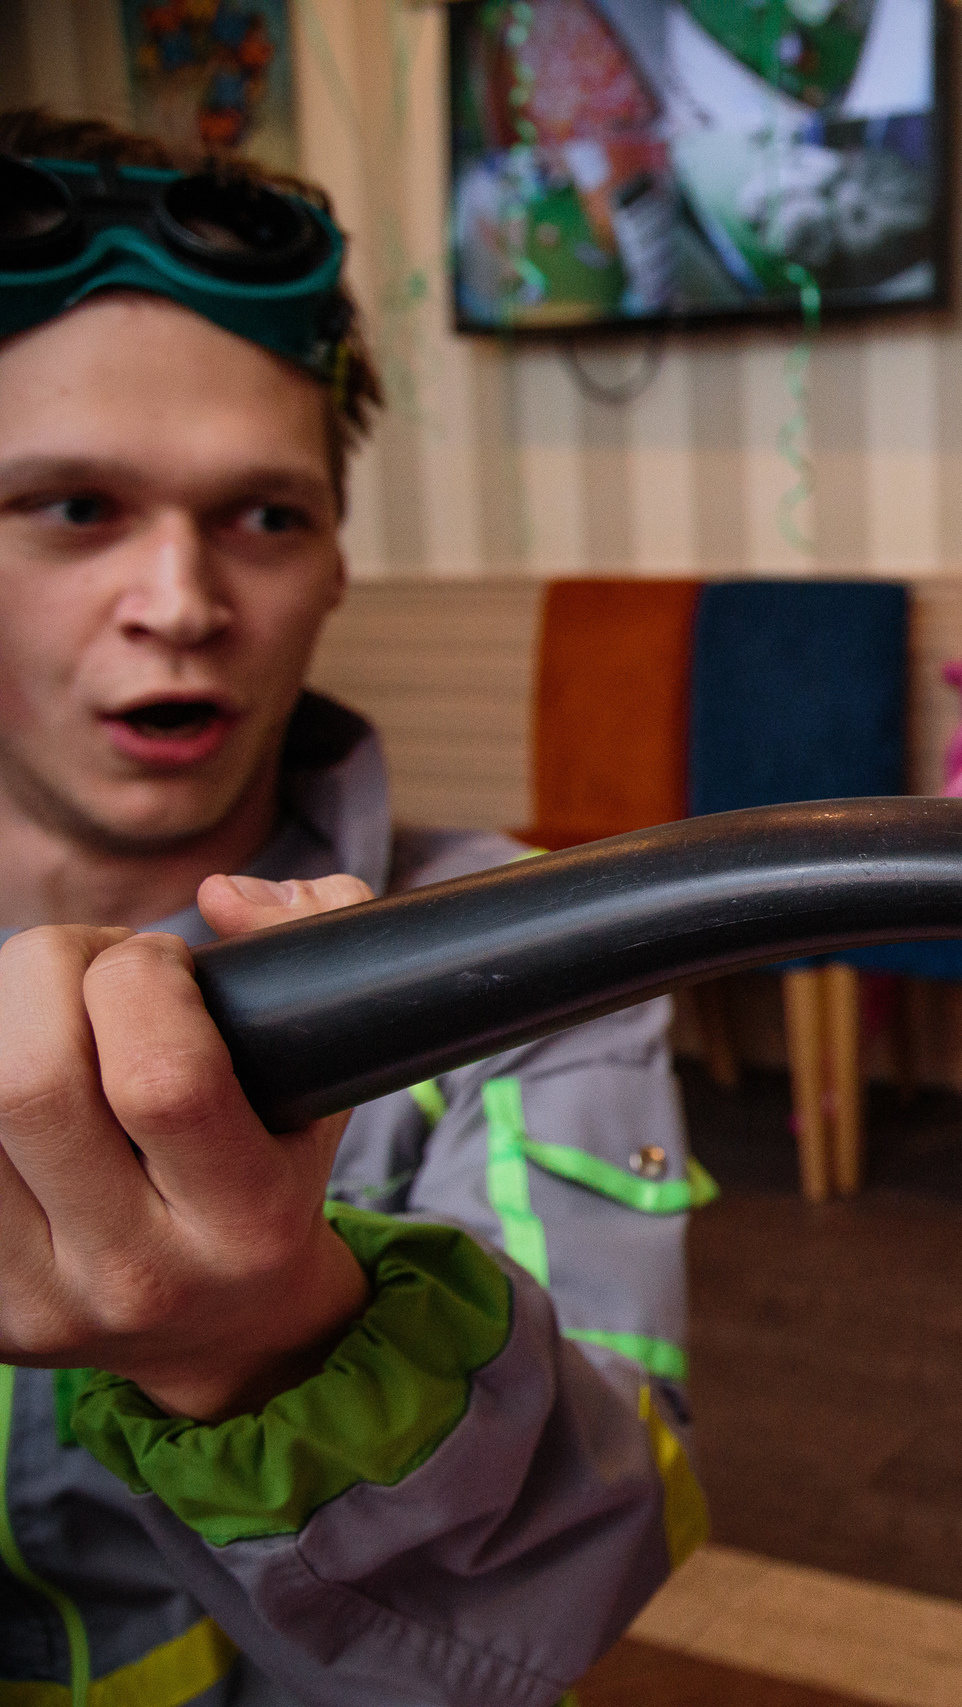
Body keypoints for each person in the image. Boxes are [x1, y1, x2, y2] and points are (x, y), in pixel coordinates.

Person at [0, 113, 705, 1706]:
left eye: (266, 516)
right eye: (69, 508)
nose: (180, 601)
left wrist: (259, 1344)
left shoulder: (536, 958)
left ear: (333, 566)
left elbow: (580, 1582)